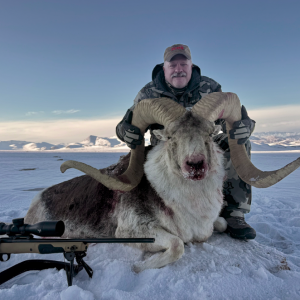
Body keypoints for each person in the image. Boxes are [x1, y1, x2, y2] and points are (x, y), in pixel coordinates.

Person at [116, 44, 256, 240]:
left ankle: (233, 213)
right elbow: (127, 124)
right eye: (172, 65)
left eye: (183, 63)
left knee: (237, 143)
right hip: (167, 148)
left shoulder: (210, 88)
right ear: (164, 68)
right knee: (147, 163)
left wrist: (244, 127)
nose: (178, 69)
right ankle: (167, 213)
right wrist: (126, 131)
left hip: (204, 142)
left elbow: (231, 120)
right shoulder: (148, 93)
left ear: (191, 66)